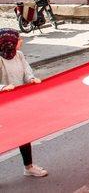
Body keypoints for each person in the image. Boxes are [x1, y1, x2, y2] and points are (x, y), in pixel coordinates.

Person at [0, 29, 48, 178]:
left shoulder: (19, 55)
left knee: (23, 134)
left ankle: (28, 167)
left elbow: (27, 72)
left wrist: (31, 79)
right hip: (2, 104)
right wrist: (2, 88)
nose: (21, 41)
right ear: (10, 43)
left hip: (17, 103)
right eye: (19, 39)